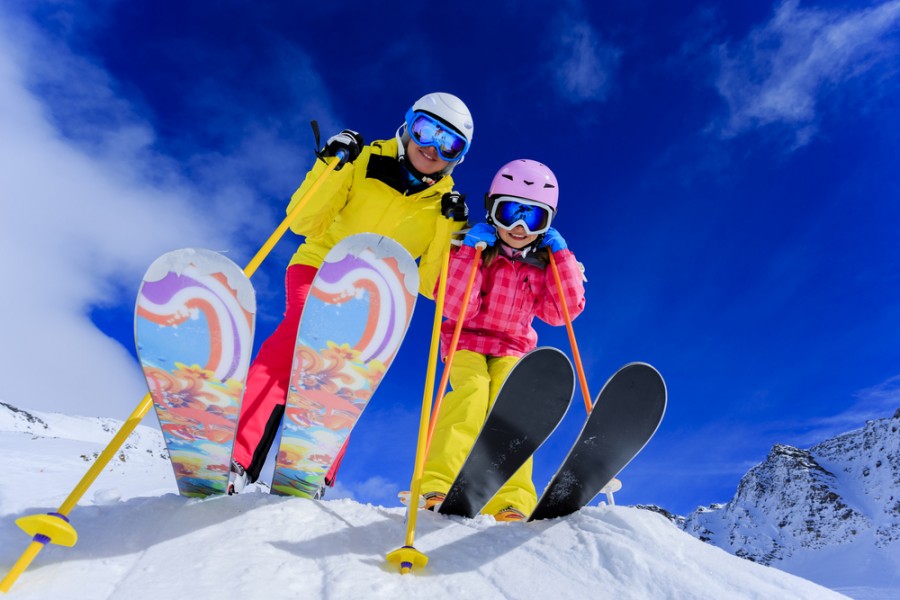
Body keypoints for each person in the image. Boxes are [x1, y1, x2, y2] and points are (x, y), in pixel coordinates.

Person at [229, 92, 474, 494]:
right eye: (427, 131)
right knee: (294, 345)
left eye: (449, 143)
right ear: (409, 125)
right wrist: (333, 163)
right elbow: (304, 221)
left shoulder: (444, 207)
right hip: (322, 268)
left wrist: (451, 230)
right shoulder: (362, 160)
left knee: (346, 372)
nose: (432, 148)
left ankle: (311, 471)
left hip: (380, 295)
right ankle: (237, 457)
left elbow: (432, 286)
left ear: (458, 156)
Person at [419, 159, 586, 521]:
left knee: (513, 409)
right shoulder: (478, 249)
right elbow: (453, 304)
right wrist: (469, 255)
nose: (520, 227)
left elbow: (562, 313)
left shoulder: (543, 264)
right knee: (472, 395)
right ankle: (438, 482)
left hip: (513, 348)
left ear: (548, 224)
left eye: (534, 218)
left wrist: (562, 258)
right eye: (509, 211)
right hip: (467, 341)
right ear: (492, 210)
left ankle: (511, 498)